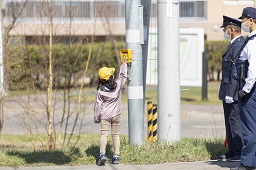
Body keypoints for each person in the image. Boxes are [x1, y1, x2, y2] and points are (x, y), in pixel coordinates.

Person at [231, 7, 256, 170]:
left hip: (251, 89)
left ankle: (248, 163)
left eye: (244, 20)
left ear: (251, 20)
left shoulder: (253, 42)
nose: (243, 23)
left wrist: (245, 89)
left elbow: (253, 69)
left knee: (249, 127)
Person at [218, 15, 244, 162]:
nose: (225, 32)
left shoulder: (239, 44)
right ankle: (232, 150)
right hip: (227, 91)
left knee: (235, 121)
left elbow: (236, 71)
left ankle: (239, 152)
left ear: (232, 29)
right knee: (229, 121)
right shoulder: (233, 44)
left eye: (226, 29)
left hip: (232, 92)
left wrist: (231, 92)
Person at [94, 56, 127, 166]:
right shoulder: (117, 86)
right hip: (116, 114)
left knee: (104, 135)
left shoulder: (100, 91)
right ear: (111, 77)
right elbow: (123, 76)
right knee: (116, 135)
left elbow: (98, 106)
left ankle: (102, 155)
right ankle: (116, 156)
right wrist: (124, 64)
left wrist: (97, 117)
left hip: (105, 116)